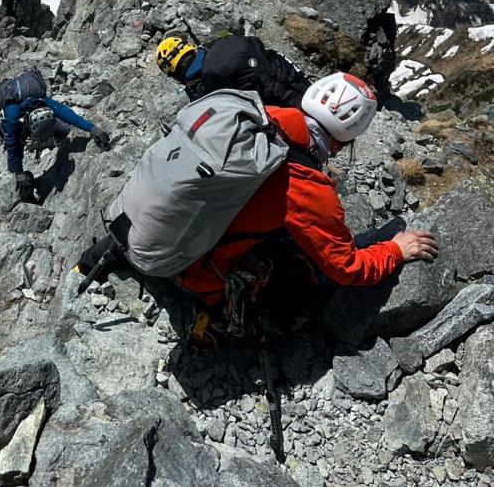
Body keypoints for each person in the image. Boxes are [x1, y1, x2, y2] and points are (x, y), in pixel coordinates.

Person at [176, 72, 438, 309]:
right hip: (192, 273)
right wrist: (396, 250)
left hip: (160, 229)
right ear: (343, 142)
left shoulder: (261, 116)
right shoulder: (307, 187)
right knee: (300, 293)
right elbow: (347, 269)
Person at [0, 69, 110, 203]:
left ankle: (62, 145)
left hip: (37, 118)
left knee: (64, 129)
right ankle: (25, 193)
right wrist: (19, 172)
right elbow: (12, 146)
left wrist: (92, 128)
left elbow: (66, 113)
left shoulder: (44, 102)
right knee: (16, 157)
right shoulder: (13, 119)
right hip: (17, 126)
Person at [156, 33, 311, 108]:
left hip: (289, 115)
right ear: (191, 48)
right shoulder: (224, 43)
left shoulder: (202, 93)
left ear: (175, 77)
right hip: (304, 87)